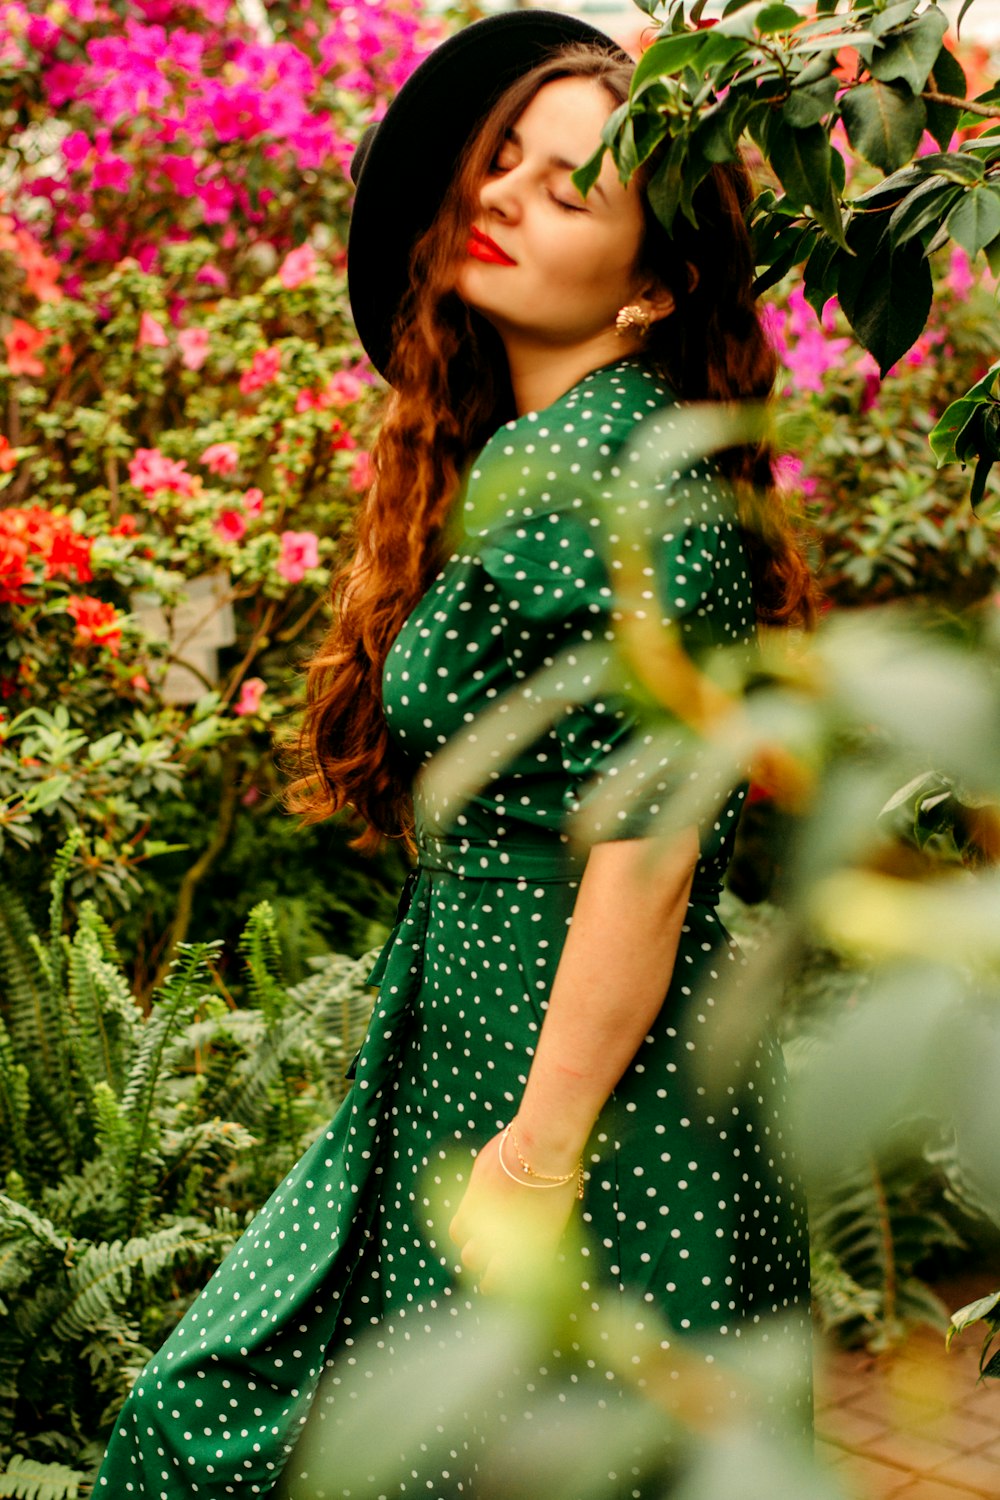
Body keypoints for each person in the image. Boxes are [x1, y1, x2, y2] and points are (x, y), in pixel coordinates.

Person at [95, 11, 816, 1498]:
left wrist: (536, 1156)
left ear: (654, 288)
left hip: (567, 1084)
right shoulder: (563, 453)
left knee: (236, 1426)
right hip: (518, 1047)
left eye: (565, 188)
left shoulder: (590, 469)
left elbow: (651, 845)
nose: (497, 195)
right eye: (501, 164)